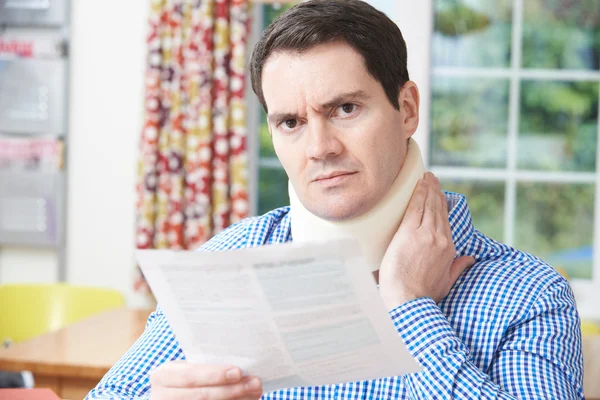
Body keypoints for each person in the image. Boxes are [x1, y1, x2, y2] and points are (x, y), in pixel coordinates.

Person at [87, 1, 584, 398]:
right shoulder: (230, 261)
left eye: (345, 109)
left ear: (406, 109)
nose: (320, 148)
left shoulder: (529, 296)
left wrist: (409, 307)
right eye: (291, 123)